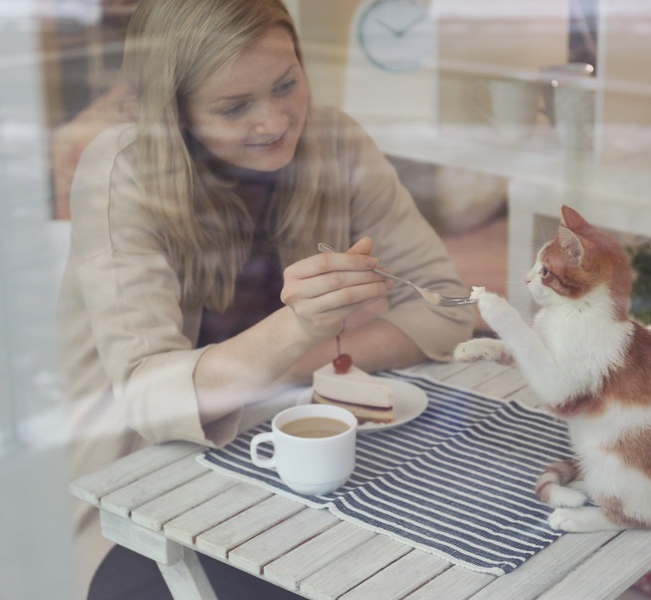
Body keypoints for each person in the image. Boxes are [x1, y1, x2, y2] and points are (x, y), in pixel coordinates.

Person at [56, 0, 476, 597]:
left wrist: (298, 360)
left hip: (294, 444)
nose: (275, 121)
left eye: (286, 85)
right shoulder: (122, 170)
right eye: (234, 108)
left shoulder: (334, 141)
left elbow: (446, 306)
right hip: (152, 477)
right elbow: (152, 397)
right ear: (175, 114)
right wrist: (300, 328)